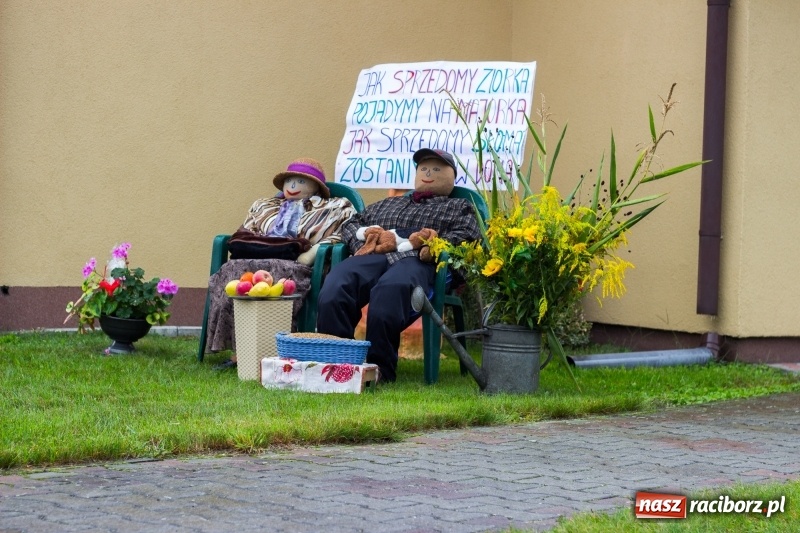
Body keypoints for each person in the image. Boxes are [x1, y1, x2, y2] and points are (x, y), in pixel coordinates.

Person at [316, 148, 482, 382]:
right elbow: (352, 224)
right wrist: (363, 240)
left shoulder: (458, 207)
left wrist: (433, 246)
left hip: (419, 261)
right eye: (424, 168)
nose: (428, 173)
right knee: (338, 282)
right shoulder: (388, 204)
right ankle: (337, 362)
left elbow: (468, 235)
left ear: (450, 176)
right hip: (378, 254)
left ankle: (379, 370)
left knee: (390, 290)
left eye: (436, 169)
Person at [208, 158, 356, 369]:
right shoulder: (264, 205)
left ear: (316, 187)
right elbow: (246, 231)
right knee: (231, 271)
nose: (293, 187)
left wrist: (313, 252)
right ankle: (242, 351)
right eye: (290, 181)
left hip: (296, 264)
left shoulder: (335, 206)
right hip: (254, 260)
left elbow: (345, 234)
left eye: (301, 182)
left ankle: (276, 348)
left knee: (282, 275)